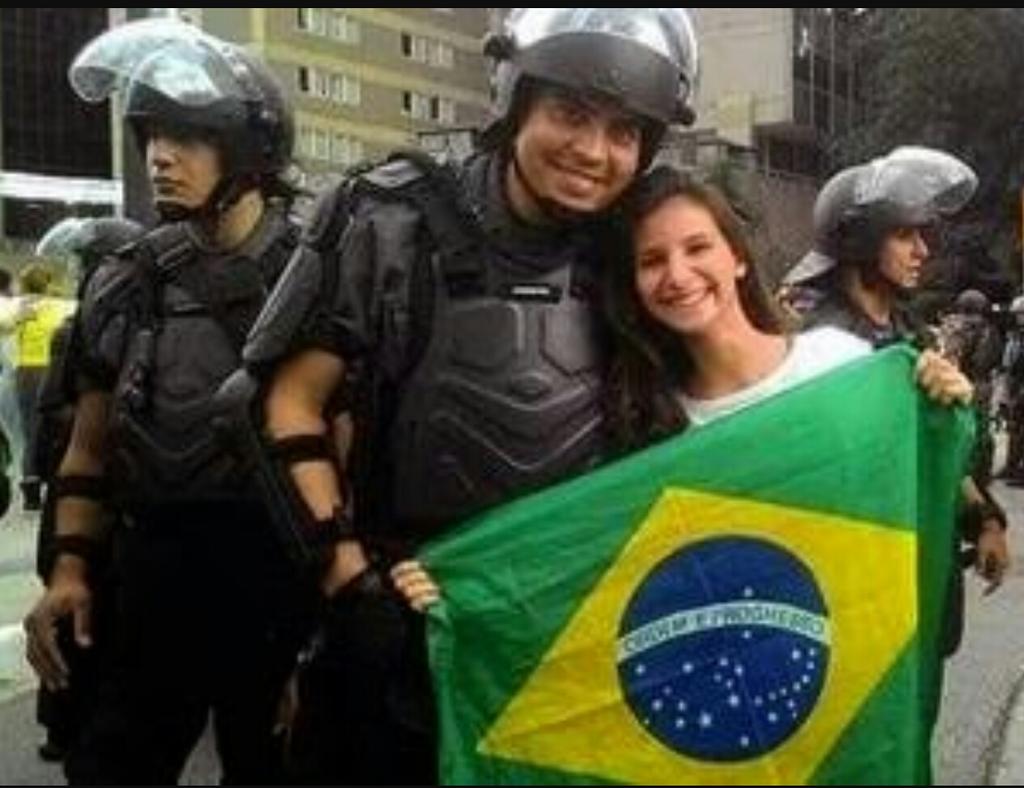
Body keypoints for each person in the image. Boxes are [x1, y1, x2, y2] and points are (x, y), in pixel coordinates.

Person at [233, 8, 700, 783]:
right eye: (570, 113)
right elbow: (279, 403)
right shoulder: (388, 217)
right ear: (516, 100)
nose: (593, 151)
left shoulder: (642, 247)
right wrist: (351, 586)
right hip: (401, 620)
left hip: (569, 639)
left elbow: (742, 378)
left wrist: (906, 382)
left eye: (625, 131)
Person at [392, 166, 974, 600]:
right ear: (634, 287)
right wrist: (463, 580)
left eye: (697, 247)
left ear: (737, 258)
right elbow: (576, 555)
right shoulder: (650, 432)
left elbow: (910, 493)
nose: (678, 275)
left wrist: (939, 407)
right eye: (651, 261)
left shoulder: (842, 365)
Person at [22, 19, 307, 784]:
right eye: (151, 134)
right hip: (150, 577)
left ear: (247, 149)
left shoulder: (321, 273)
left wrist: (327, 640)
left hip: (276, 581)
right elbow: (88, 450)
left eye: (186, 135)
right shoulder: (128, 280)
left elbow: (354, 463)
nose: (159, 155)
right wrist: (70, 572)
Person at [785, 146, 1009, 644]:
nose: (922, 251)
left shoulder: (911, 330)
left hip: (922, 563)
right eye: (905, 235)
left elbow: (937, 450)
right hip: (860, 579)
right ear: (861, 242)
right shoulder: (822, 346)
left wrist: (985, 521)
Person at [29, 216, 145, 763]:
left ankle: (67, 722)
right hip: (95, 489)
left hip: (82, 489)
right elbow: (57, 416)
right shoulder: (89, 328)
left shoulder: (88, 327)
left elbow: (50, 415)